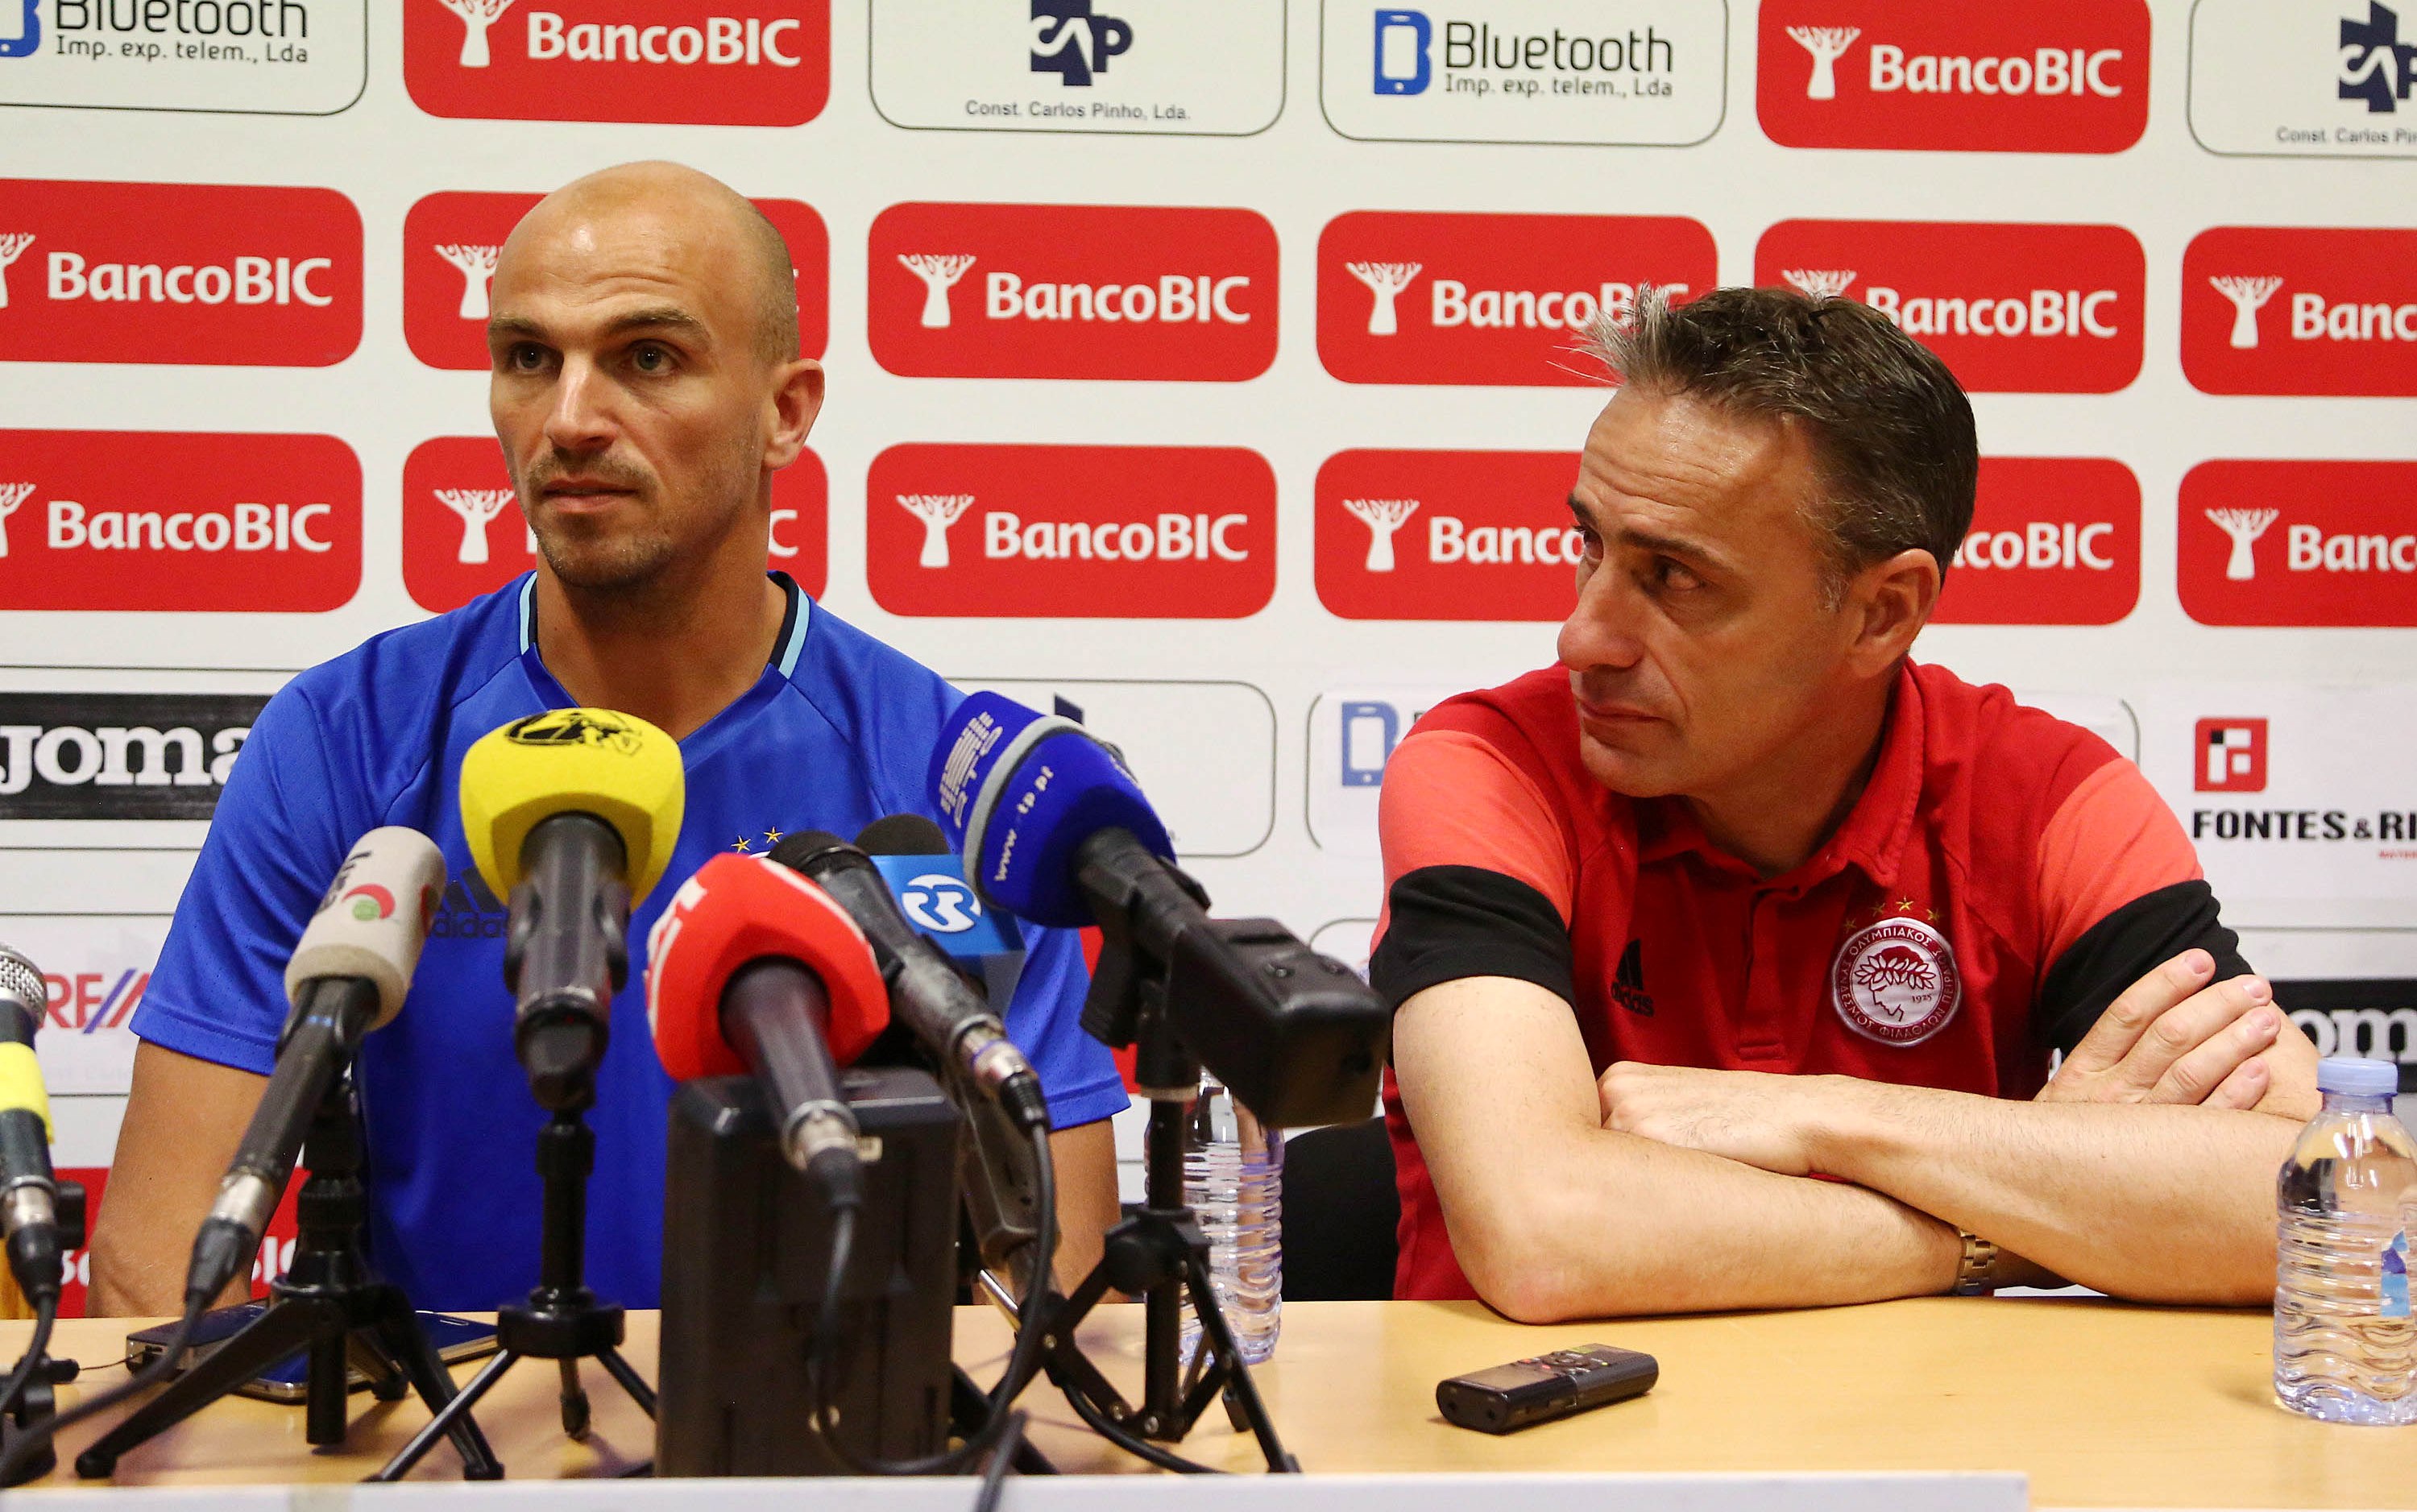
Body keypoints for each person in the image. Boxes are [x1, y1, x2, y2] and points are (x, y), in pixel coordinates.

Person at [87, 162, 1128, 1316]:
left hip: (823, 1424)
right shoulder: (346, 738)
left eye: (648, 358)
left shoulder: (947, 775)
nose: (571, 418)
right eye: (530, 357)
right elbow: (158, 1267)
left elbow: (1057, 1284)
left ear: (785, 413)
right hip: (442, 1425)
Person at [1377, 286, 2319, 1319]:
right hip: (1538, 1414)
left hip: (1937, 1414)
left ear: (1883, 612)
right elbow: (1546, 1234)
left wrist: (1827, 1118)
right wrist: (2014, 1220)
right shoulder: (1491, 764)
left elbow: (2319, 1206)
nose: (1582, 637)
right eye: (1591, 543)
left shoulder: (2051, 800)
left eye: (1675, 577)